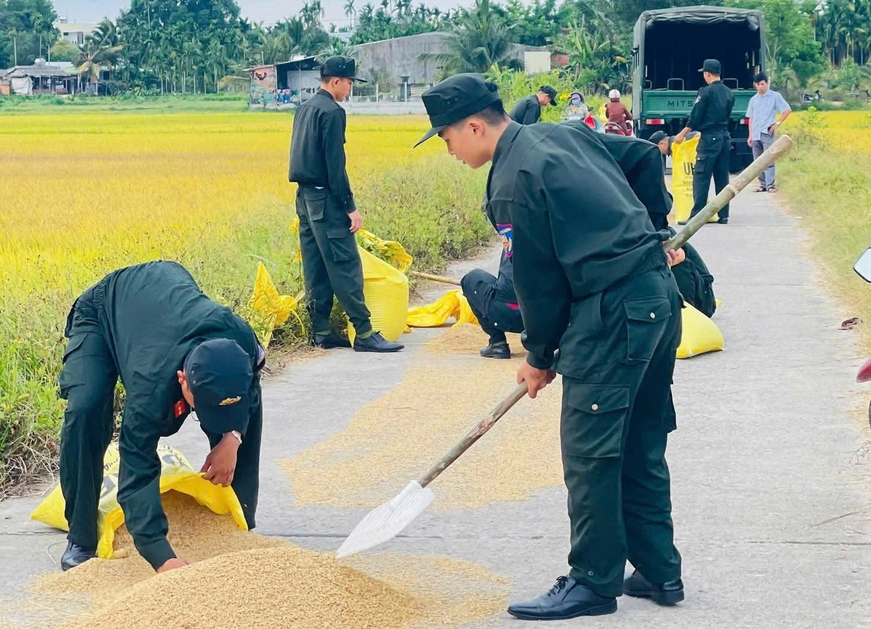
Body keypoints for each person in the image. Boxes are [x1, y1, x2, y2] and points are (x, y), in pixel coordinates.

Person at [417, 73, 686, 621]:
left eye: (446, 138)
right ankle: (660, 571)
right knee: (639, 437)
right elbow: (637, 156)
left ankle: (593, 581)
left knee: (591, 453)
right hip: (656, 298)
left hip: (613, 313)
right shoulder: (565, 135)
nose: (448, 149)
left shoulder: (511, 180)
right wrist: (653, 229)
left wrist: (538, 357)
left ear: (473, 125)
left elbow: (535, 284)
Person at [57, 261, 264, 574]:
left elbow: (249, 397)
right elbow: (137, 468)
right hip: (102, 311)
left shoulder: (242, 343)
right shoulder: (150, 385)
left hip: (163, 303)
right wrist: (161, 557)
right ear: (182, 379)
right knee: (86, 408)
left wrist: (232, 438)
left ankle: (238, 523)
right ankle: (81, 536)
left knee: (235, 433)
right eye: (202, 407)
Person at [288, 56, 403, 353]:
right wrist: (350, 206)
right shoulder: (332, 112)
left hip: (304, 198)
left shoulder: (304, 109)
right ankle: (364, 332)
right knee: (344, 263)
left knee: (316, 266)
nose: (350, 89)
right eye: (349, 83)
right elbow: (335, 167)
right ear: (336, 81)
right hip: (326, 198)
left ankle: (322, 330)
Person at [585, 126, 717, 318]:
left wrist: (673, 268)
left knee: (674, 257)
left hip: (688, 294)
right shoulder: (601, 232)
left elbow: (705, 306)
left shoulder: (666, 238)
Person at [461, 199, 523, 359]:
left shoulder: (509, 230)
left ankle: (497, 343)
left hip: (509, 313)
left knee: (471, 279)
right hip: (548, 316)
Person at [675, 58, 734, 224]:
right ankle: (724, 215)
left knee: (702, 176)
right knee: (722, 177)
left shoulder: (705, 92)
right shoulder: (729, 93)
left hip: (710, 139)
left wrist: (682, 133)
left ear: (707, 74)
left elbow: (696, 116)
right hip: (724, 137)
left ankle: (697, 216)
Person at [745, 72, 791, 193]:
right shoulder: (753, 100)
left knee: (769, 159)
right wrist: (750, 135)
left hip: (767, 131)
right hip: (755, 133)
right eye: (758, 84)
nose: (760, 87)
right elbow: (751, 118)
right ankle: (762, 184)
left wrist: (778, 123)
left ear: (767, 83)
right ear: (755, 85)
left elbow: (787, 110)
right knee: (758, 161)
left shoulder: (775, 96)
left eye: (762, 84)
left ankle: (770, 185)